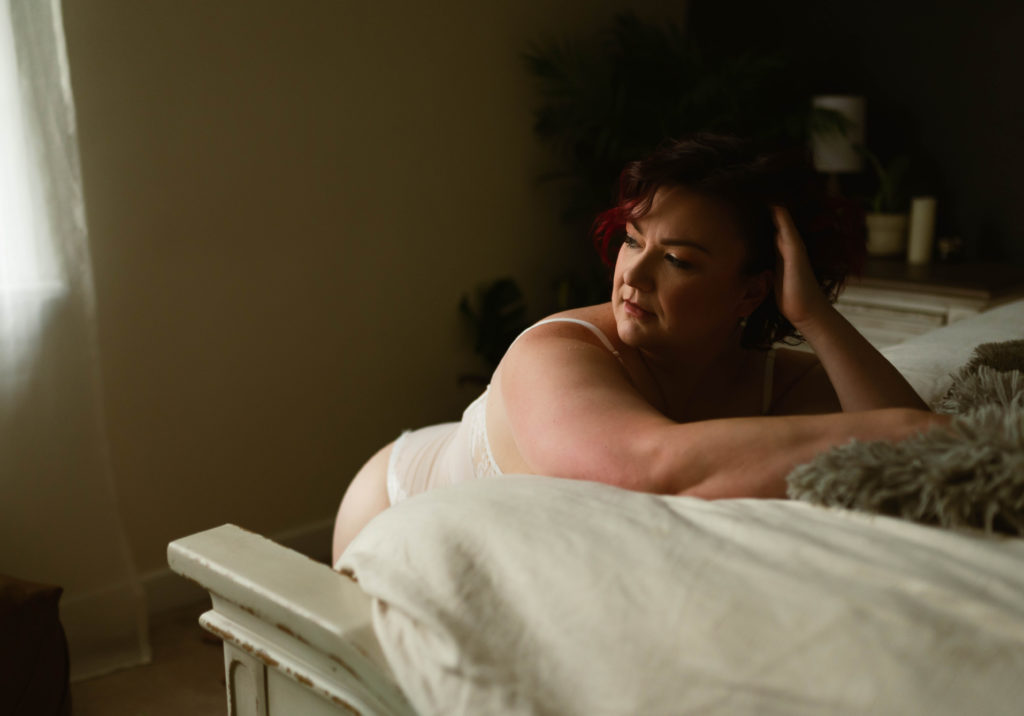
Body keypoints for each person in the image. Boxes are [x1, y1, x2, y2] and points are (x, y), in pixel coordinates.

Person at [331, 134, 945, 565]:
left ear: (752, 290)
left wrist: (814, 315)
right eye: (632, 240)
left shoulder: (772, 381)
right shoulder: (557, 352)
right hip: (389, 509)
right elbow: (648, 470)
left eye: (678, 259)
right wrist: (917, 432)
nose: (634, 274)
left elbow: (916, 449)